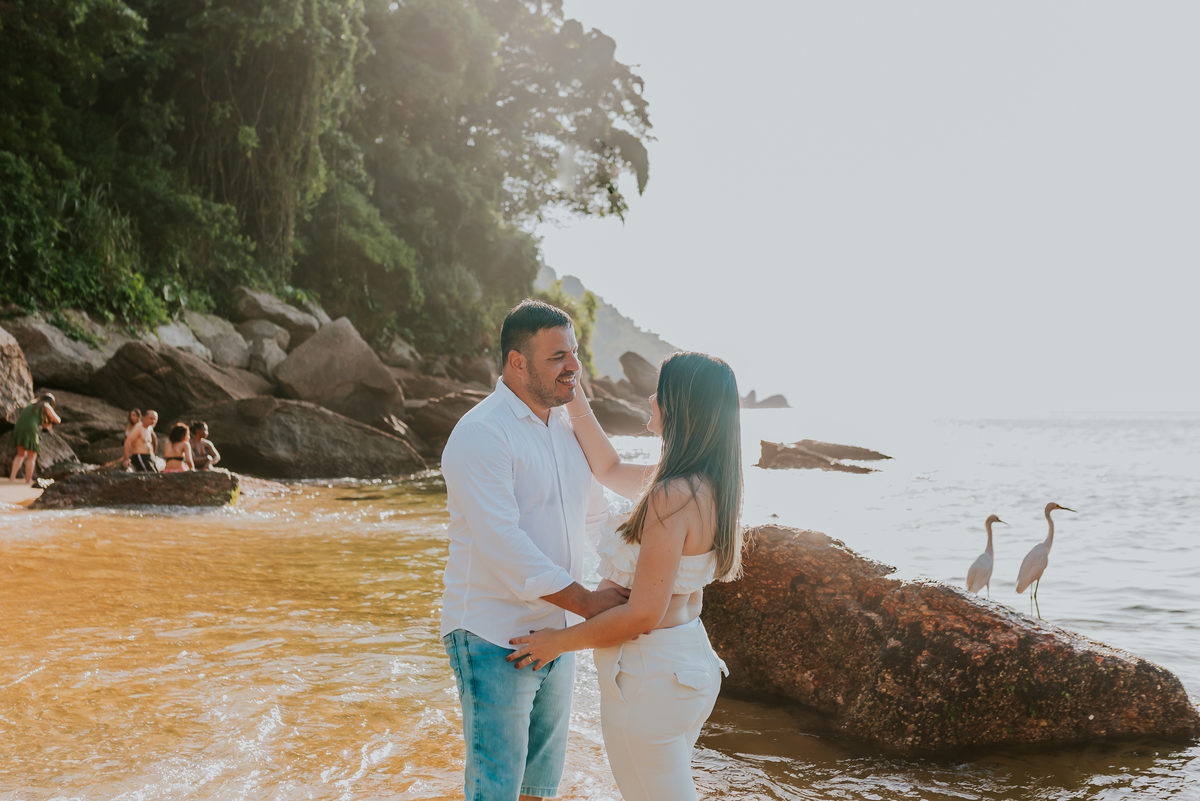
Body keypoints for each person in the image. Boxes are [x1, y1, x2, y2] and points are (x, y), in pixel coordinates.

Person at [508, 351, 744, 801]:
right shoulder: (703, 484)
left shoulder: (672, 495)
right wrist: (574, 398)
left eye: (661, 390)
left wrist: (556, 644)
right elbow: (609, 469)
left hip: (652, 678)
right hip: (683, 669)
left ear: (679, 405)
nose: (651, 397)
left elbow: (643, 615)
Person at [440, 299, 630, 801]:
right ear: (517, 363)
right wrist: (591, 606)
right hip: (491, 635)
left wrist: (639, 573)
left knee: (538, 789)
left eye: (574, 354)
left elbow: (597, 520)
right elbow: (503, 545)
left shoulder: (568, 431)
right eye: (557, 357)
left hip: (559, 633)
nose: (574, 368)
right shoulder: (481, 434)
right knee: (495, 790)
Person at [9, 394, 62, 485]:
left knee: (21, 454)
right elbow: (57, 420)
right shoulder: (45, 406)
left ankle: (12, 478)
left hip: (19, 427)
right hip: (30, 429)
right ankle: (28, 481)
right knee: (31, 457)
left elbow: (33, 418)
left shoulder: (31, 404)